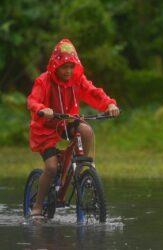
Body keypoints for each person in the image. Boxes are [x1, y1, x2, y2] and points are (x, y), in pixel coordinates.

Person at [27, 38, 120, 217]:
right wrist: (41, 109)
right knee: (52, 167)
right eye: (64, 67)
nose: (68, 71)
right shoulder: (43, 81)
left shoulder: (77, 80)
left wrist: (109, 105)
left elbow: (94, 92)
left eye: (71, 67)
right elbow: (32, 100)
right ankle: (38, 206)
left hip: (66, 122)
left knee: (85, 130)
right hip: (45, 128)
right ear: (54, 66)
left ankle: (83, 168)